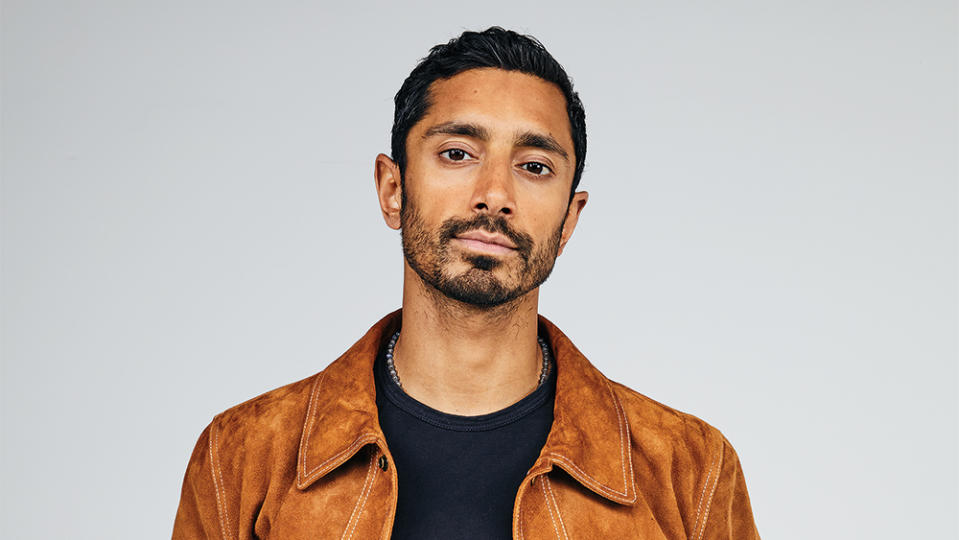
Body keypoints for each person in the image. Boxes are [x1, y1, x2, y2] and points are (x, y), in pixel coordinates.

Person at [172, 27, 760, 539]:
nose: (495, 195)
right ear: (392, 189)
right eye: (457, 153)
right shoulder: (242, 458)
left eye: (534, 167)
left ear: (569, 220)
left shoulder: (690, 471)